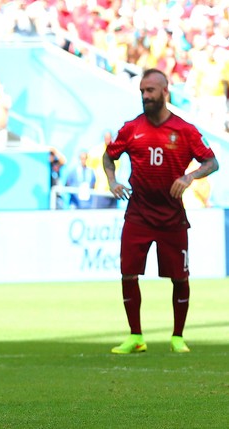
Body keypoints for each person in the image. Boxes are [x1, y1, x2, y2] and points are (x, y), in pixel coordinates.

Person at [103, 69, 219, 354]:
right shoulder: (132, 129)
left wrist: (190, 177)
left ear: (165, 92)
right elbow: (109, 156)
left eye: (150, 91)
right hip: (138, 214)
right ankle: (136, 336)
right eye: (142, 91)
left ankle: (178, 336)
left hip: (171, 217)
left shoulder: (184, 130)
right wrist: (112, 181)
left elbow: (212, 162)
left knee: (180, 277)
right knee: (128, 274)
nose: (145, 96)